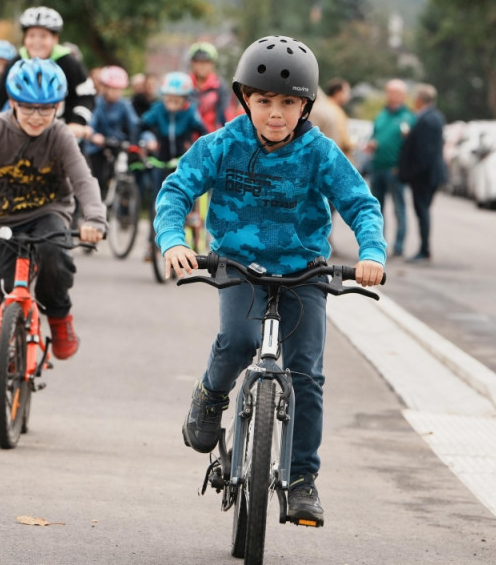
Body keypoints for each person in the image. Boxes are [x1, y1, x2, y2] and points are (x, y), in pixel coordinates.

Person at [157, 35, 386, 527]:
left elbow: (360, 204)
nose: (275, 113)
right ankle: (211, 395)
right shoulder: (221, 145)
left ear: (306, 106)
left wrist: (371, 252)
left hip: (305, 272)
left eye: (288, 103)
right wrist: (173, 240)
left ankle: (302, 478)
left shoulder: (320, 153)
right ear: (245, 98)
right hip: (240, 267)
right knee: (238, 340)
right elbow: (176, 189)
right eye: (264, 101)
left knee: (306, 373)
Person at [0, 58, 106, 401]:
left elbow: (83, 180)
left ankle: (58, 316)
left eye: (46, 110)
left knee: (55, 256)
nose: (36, 117)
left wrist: (94, 220)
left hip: (49, 214)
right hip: (1, 221)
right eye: (28, 108)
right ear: (12, 103)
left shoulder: (60, 136)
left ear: (58, 108)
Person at [0, 6, 96, 138]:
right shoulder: (17, 62)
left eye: (43, 36)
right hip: (24, 131)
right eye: (31, 36)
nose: (36, 42)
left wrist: (78, 122)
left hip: (62, 133)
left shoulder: (69, 63)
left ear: (55, 39)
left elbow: (86, 95)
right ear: (24, 39)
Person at [397, 83, 447, 263]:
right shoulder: (434, 117)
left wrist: (410, 173)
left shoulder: (428, 119)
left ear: (419, 99)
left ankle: (424, 250)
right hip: (428, 174)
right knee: (423, 211)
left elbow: (425, 152)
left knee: (422, 211)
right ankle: (424, 248)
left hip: (424, 176)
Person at [367, 79, 416, 258]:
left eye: (395, 93)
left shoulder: (409, 117)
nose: (391, 96)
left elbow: (411, 147)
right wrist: (372, 143)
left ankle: (399, 246)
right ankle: (379, 245)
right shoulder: (381, 115)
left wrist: (403, 167)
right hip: (377, 167)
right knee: (376, 209)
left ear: (403, 96)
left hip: (395, 170)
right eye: (389, 92)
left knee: (399, 208)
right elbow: (375, 135)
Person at [85, 65, 140, 194]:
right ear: (104, 88)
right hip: (98, 145)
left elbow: (134, 124)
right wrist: (94, 136)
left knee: (126, 168)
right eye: (112, 89)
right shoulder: (97, 103)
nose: (116, 93)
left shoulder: (124, 105)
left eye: (119, 90)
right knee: (97, 175)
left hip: (117, 143)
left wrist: (135, 143)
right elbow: (91, 122)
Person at [187, 41, 233, 133]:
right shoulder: (185, 84)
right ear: (192, 63)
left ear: (212, 64)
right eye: (197, 62)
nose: (201, 66)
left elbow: (226, 112)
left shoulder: (219, 85)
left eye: (206, 62)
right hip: (188, 140)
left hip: (212, 138)